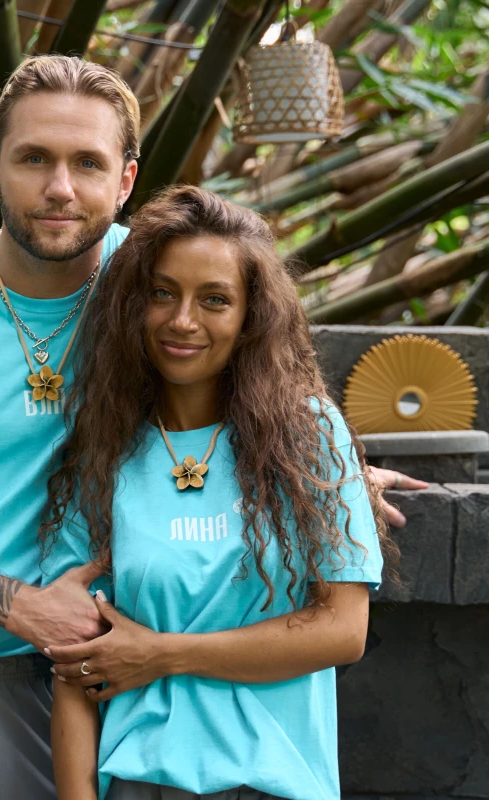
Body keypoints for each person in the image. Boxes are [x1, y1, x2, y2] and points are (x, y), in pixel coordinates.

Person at [0, 54, 424, 799]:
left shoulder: (155, 281)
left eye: (87, 162)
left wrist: (317, 477)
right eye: (34, 158)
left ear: (126, 178)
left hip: (119, 700)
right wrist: (23, 608)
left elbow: (255, 383)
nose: (60, 187)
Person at [40, 185, 400, 800]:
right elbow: (75, 671)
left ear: (250, 316)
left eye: (214, 299)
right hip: (142, 782)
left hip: (277, 783)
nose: (183, 320)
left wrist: (162, 654)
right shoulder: (99, 453)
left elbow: (342, 630)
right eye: (163, 293)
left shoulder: (309, 436)